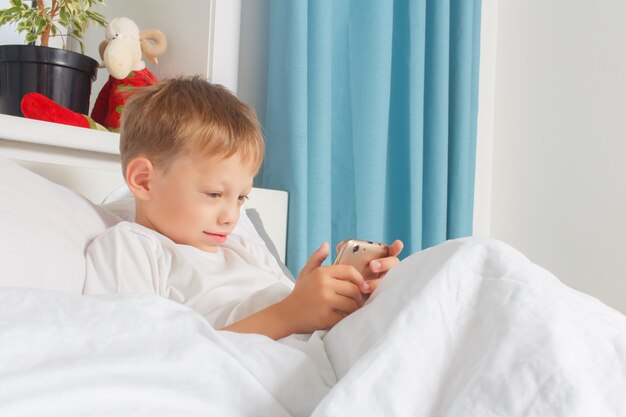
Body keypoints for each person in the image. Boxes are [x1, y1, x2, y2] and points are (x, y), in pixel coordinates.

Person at [83, 75, 403, 340]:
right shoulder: (132, 249)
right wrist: (289, 314)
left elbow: (292, 310)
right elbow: (139, 354)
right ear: (143, 181)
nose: (231, 216)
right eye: (213, 194)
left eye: (240, 198)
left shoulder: (245, 248)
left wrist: (341, 295)